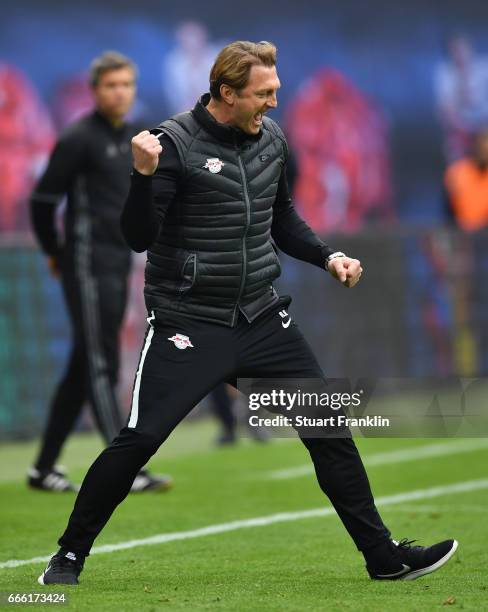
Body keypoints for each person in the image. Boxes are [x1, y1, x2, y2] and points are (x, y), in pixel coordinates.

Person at [38, 41, 457, 586]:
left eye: (276, 92)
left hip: (262, 319)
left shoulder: (272, 139)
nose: (274, 104)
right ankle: (68, 556)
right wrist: (142, 176)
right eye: (264, 94)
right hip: (190, 323)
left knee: (328, 427)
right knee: (139, 439)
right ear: (226, 93)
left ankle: (383, 557)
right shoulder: (172, 145)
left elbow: (282, 218)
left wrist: (327, 256)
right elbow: (138, 236)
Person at [29, 51, 172, 494]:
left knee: (83, 367)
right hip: (85, 263)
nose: (120, 92)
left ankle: (42, 469)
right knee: (100, 361)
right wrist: (56, 251)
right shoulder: (77, 138)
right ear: (95, 91)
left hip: (117, 261)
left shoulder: (137, 137)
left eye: (127, 84)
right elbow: (41, 202)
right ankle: (124, 467)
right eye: (111, 85)